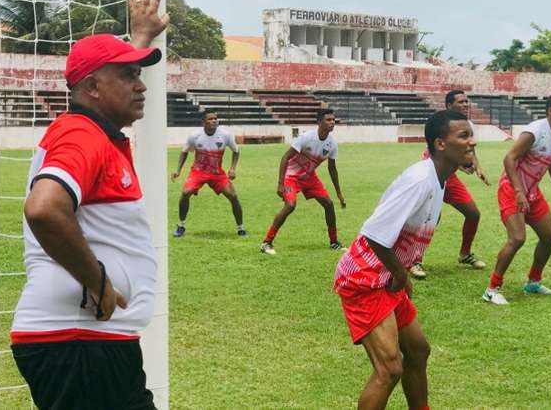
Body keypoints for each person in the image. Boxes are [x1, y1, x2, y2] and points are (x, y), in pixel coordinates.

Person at [9, 0, 168, 409]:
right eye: (129, 76)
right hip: (77, 342)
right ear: (93, 89)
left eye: (139, 74)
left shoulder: (95, 131)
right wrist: (98, 283)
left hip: (89, 342)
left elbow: (102, 75)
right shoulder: (81, 134)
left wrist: (138, 40)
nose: (142, 86)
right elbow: (43, 209)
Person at [333, 110, 476, 410]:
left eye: (470, 134)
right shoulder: (420, 180)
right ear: (440, 144)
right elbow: (374, 233)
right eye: (463, 136)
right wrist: (401, 274)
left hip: (387, 277)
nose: (471, 142)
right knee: (389, 370)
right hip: (365, 278)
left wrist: (400, 274)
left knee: (418, 351)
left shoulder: (440, 180)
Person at [482, 93, 551, 305]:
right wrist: (518, 191)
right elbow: (509, 158)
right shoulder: (534, 131)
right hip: (512, 190)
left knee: (550, 237)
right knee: (517, 239)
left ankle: (533, 282)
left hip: (532, 191)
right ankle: (492, 289)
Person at [409, 90, 489, 279]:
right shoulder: (440, 124)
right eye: (461, 102)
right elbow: (437, 153)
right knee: (430, 219)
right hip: (434, 175)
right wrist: (462, 165)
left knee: (473, 214)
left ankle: (465, 254)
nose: (465, 105)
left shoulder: (467, 125)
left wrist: (478, 167)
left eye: (466, 101)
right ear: (448, 105)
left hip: (449, 178)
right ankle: (414, 260)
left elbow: (469, 149)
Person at [260, 108, 346, 254]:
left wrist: (339, 193)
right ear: (319, 122)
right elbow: (285, 157)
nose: (332, 123)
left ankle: (334, 242)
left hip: (309, 177)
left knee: (329, 204)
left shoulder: (332, 144)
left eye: (333, 120)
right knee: (290, 205)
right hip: (291, 176)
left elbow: (332, 169)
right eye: (328, 120)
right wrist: (280, 183)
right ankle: (266, 243)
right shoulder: (306, 137)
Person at [171, 109, 246, 238]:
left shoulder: (225, 135)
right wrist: (178, 170)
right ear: (203, 122)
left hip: (217, 173)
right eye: (210, 119)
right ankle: (181, 225)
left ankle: (241, 228)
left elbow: (236, 150)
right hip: (198, 172)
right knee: (185, 193)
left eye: (215, 118)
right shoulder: (194, 136)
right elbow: (184, 152)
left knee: (233, 196)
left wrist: (232, 168)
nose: (214, 121)